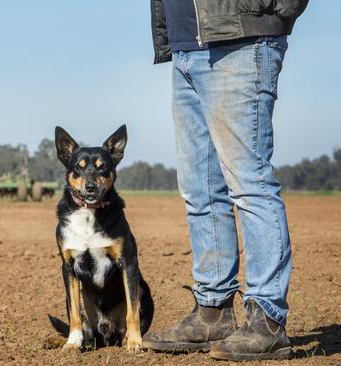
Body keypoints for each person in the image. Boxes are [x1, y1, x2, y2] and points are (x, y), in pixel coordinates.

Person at [141, 0, 308, 361]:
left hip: (240, 45)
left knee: (251, 186)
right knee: (200, 191)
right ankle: (212, 311)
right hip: (186, 49)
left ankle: (267, 319)